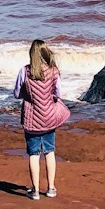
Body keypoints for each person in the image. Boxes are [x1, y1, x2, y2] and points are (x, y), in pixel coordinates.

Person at [13, 38, 70, 200]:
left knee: (33, 154)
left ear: (31, 54)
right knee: (50, 152)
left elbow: (17, 94)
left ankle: (35, 190)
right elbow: (58, 94)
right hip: (49, 118)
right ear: (45, 52)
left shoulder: (25, 71)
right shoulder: (53, 71)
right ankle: (51, 188)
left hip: (31, 119)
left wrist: (27, 94)